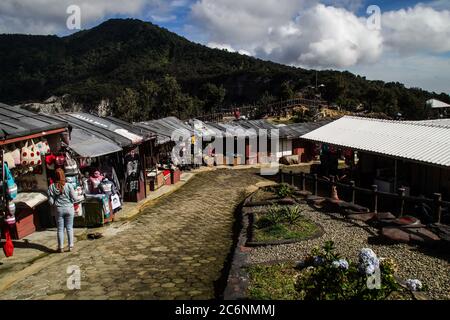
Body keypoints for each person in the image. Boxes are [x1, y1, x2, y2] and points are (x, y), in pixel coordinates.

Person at [48, 168, 77, 253]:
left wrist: (55, 204)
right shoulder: (68, 185)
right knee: (69, 228)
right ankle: (70, 246)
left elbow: (51, 202)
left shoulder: (51, 187)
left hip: (58, 210)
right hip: (69, 208)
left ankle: (60, 247)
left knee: (60, 229)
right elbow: (74, 198)